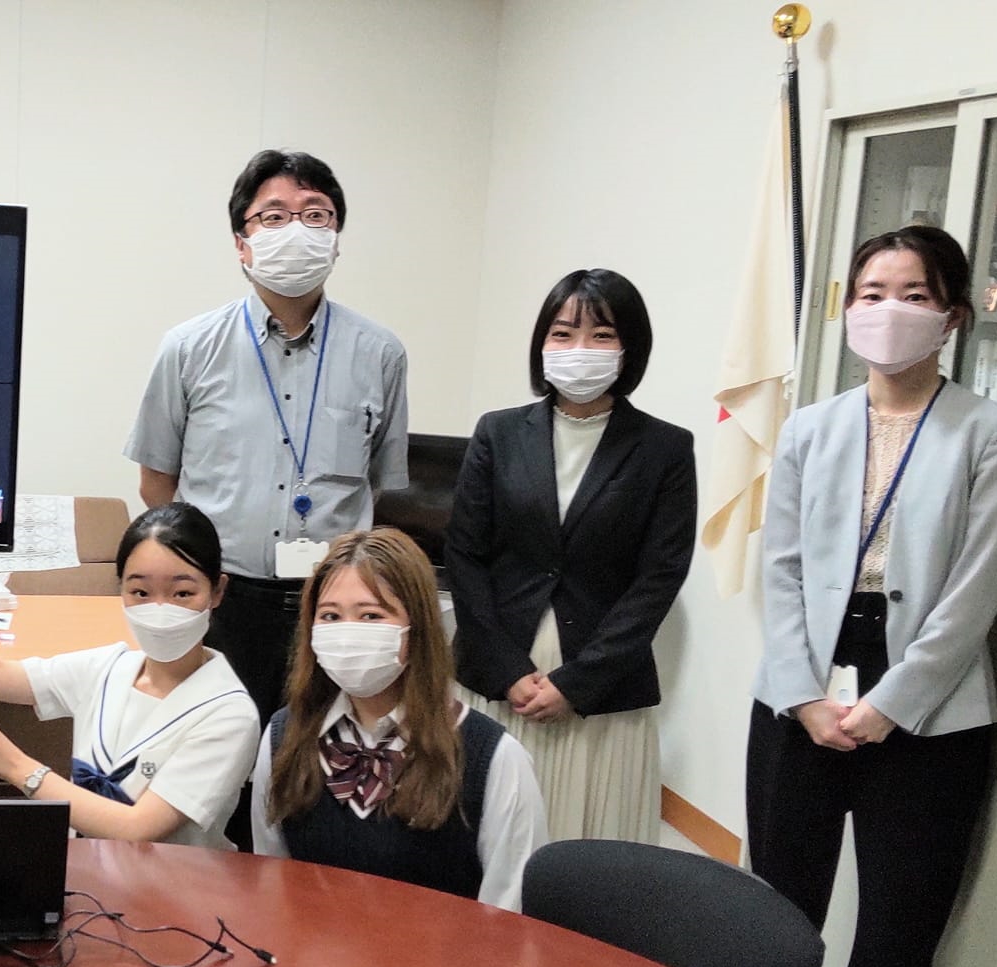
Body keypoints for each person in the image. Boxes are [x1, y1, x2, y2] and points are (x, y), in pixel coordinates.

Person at [747, 225, 997, 967]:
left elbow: (976, 590)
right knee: (778, 923)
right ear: (846, 309)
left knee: (896, 940)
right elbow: (780, 570)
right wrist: (803, 695)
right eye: (872, 293)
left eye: (915, 295)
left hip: (932, 713)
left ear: (952, 315)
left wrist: (892, 703)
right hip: (803, 691)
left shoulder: (991, 431)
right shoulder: (809, 428)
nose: (889, 310)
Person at [125, 149, 410, 729]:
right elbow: (157, 482)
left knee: (321, 749)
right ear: (241, 243)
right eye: (274, 217)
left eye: (316, 214)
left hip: (333, 604)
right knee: (214, 748)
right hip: (223, 599)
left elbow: (381, 485)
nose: (297, 230)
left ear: (336, 239)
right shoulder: (189, 348)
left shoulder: (380, 353)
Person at [445, 269, 696, 842]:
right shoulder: (498, 433)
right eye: (563, 333)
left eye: (601, 335)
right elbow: (464, 555)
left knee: (582, 846)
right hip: (500, 674)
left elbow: (659, 577)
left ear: (630, 348)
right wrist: (509, 671)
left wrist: (578, 683)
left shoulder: (665, 448)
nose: (580, 348)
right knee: (480, 835)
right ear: (542, 344)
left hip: (601, 689)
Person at [0, 502, 261, 847]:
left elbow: (137, 829)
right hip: (87, 870)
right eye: (140, 592)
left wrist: (15, 766)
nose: (160, 609)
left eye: (183, 594)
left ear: (217, 592)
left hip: (173, 878)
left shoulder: (229, 714)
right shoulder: (107, 667)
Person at [251, 528, 546, 910]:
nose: (348, 634)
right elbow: (272, 883)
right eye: (330, 616)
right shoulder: (283, 737)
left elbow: (511, 913)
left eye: (371, 615)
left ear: (417, 627)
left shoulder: (494, 757)